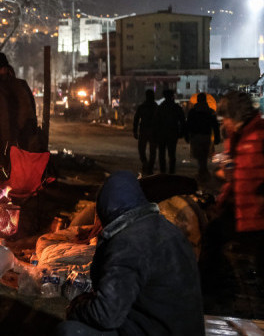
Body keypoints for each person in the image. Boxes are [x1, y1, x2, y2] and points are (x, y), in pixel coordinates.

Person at [59, 171, 204, 336]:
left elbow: (106, 315)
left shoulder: (128, 243)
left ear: (107, 212)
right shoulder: (166, 228)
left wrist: (78, 307)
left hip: (157, 329)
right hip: (173, 327)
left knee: (70, 331)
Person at [201, 91, 264, 314]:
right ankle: (212, 297)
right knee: (212, 239)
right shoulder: (236, 137)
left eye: (226, 117)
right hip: (238, 209)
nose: (224, 122)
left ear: (237, 115)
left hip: (257, 213)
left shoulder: (260, 134)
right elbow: (235, 173)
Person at [184, 92, 221, 181]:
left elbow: (188, 124)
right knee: (204, 155)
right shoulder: (210, 111)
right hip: (206, 136)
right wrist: (217, 137)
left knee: (199, 155)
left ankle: (202, 172)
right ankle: (203, 171)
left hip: (195, 136)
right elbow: (215, 126)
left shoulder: (193, 112)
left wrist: (186, 135)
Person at [153, 89, 185, 174]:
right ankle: (171, 171)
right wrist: (182, 132)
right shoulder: (176, 107)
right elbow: (182, 121)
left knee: (162, 154)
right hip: (172, 133)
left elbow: (156, 122)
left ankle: (163, 171)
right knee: (172, 154)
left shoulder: (160, 107)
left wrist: (155, 133)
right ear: (172, 96)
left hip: (162, 134)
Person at [132, 89, 158, 175]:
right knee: (152, 150)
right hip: (152, 131)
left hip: (145, 130)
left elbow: (136, 119)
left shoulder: (143, 107)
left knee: (142, 149)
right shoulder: (155, 107)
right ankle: (148, 165)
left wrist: (135, 131)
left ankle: (146, 164)